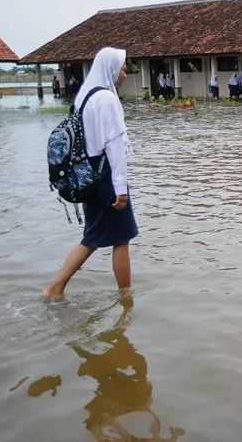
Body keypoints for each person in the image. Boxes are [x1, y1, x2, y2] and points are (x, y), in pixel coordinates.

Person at [42, 47, 138, 301]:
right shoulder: (106, 99)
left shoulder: (84, 95)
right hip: (105, 176)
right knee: (121, 238)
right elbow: (114, 146)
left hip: (88, 174)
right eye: (123, 68)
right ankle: (125, 298)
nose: (125, 74)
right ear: (111, 69)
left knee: (92, 236)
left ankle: (57, 287)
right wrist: (121, 189)